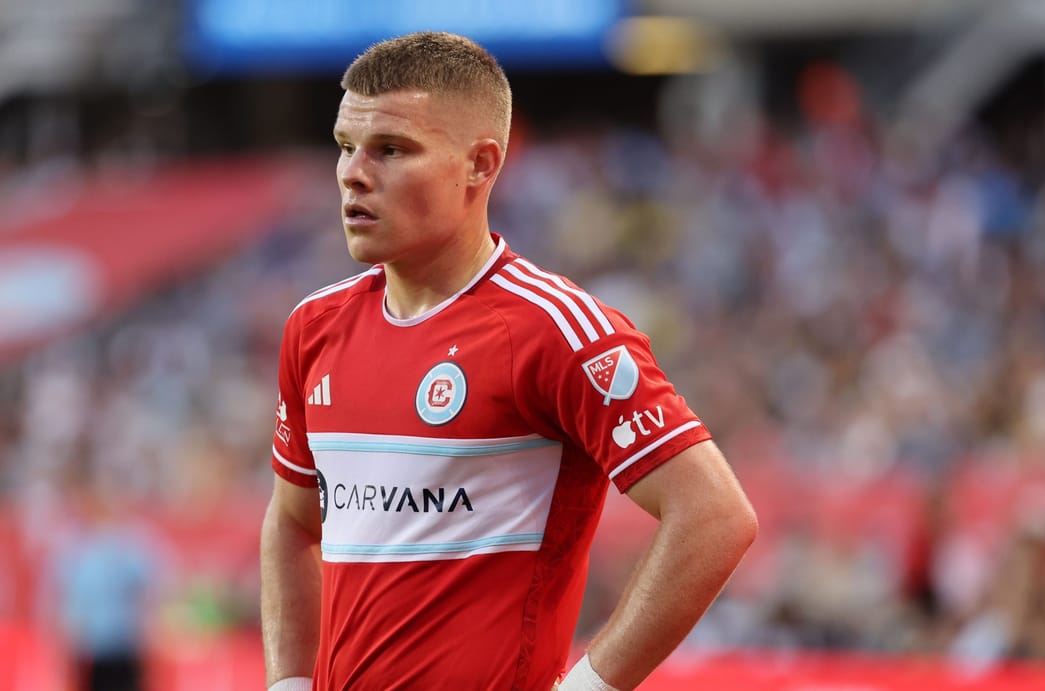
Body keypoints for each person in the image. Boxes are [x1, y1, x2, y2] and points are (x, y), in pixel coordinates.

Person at [262, 31, 757, 691]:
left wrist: (586, 686)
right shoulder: (314, 327)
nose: (353, 172)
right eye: (346, 146)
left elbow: (714, 515)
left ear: (480, 163)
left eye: (391, 149)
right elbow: (293, 522)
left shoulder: (556, 329)